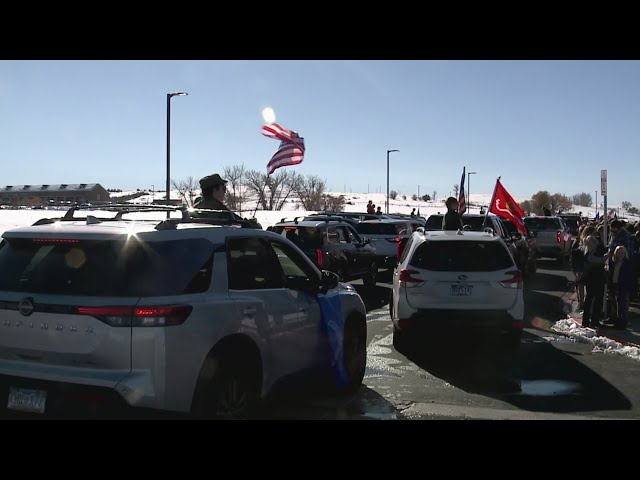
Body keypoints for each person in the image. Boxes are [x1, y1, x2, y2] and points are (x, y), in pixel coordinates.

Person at [192, 173, 261, 229]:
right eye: (223, 189)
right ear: (215, 190)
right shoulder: (220, 211)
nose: (225, 192)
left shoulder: (194, 211)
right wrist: (252, 224)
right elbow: (242, 224)